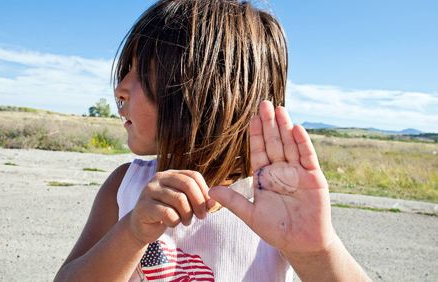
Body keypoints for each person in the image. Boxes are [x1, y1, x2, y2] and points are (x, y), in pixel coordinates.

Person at [55, 0, 371, 281]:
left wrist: (316, 251)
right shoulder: (125, 187)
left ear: (207, 93)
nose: (119, 88)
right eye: (126, 70)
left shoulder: (272, 204)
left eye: (146, 72)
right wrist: (132, 232)